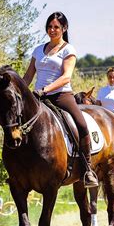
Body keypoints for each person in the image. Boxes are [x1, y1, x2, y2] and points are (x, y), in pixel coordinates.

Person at [23, 11, 98, 188]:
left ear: (64, 28)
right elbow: (27, 76)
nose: (52, 30)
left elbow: (66, 77)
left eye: (56, 27)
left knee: (81, 125)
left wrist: (45, 90)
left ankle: (87, 170)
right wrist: (20, 92)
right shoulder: (38, 50)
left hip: (61, 96)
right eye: (49, 26)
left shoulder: (68, 50)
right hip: (37, 98)